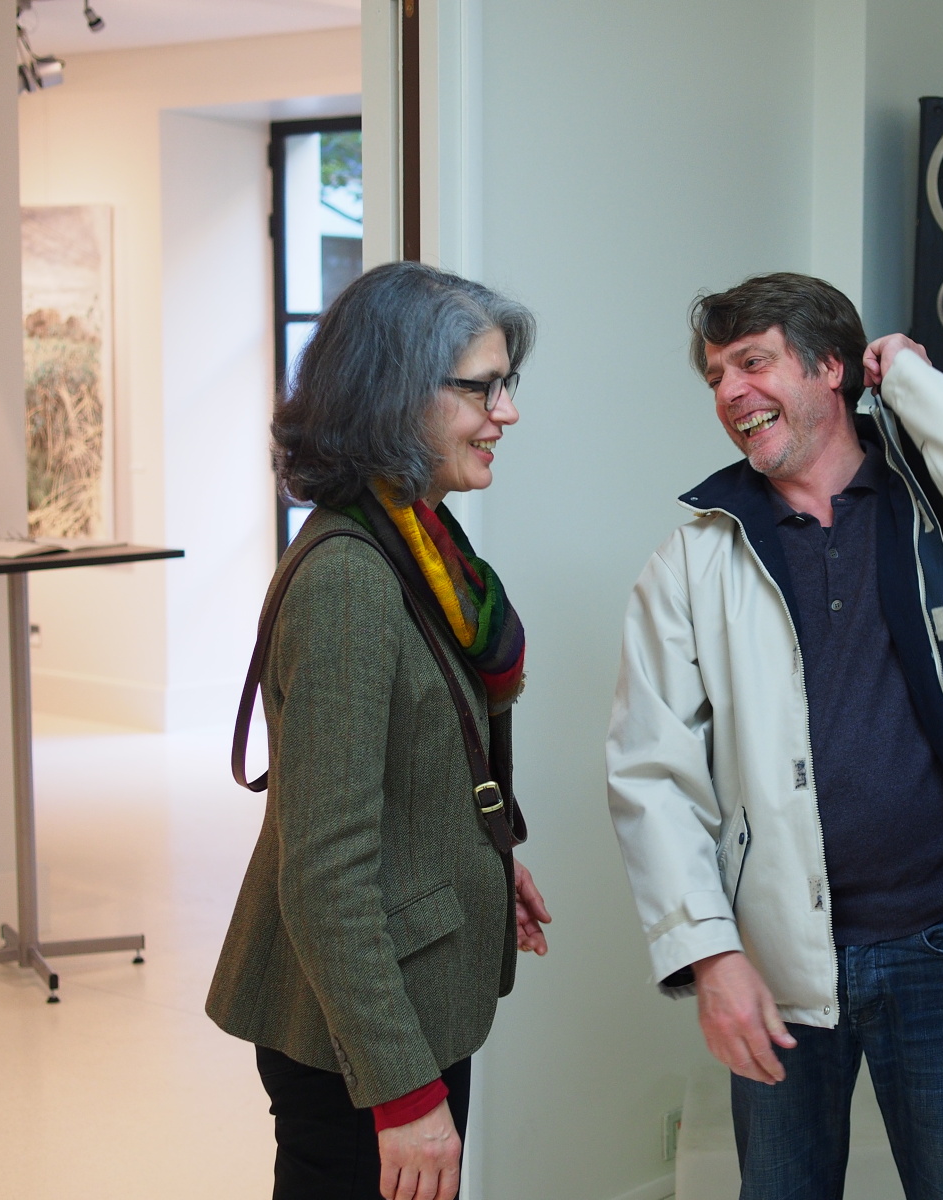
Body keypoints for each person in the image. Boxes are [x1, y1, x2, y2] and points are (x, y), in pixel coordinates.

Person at [606, 272, 943, 1199]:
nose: (730, 392)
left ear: (832, 368)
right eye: (716, 376)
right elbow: (650, 773)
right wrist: (711, 954)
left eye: (753, 363)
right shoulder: (694, 559)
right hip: (779, 960)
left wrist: (908, 377)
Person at [207, 261, 552, 1200]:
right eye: (482, 388)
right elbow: (325, 871)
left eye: (507, 383)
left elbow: (409, 757)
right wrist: (404, 1094)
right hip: (358, 1043)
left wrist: (476, 859)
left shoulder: (420, 540)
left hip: (403, 998)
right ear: (396, 397)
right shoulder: (352, 579)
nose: (507, 412)